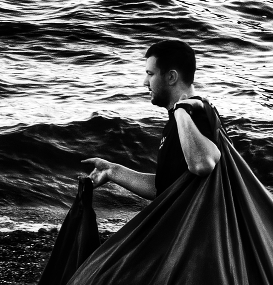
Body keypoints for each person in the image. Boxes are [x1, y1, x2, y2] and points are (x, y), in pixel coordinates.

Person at [81, 39, 221, 199]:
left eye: (150, 74)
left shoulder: (196, 115)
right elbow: (164, 188)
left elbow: (203, 165)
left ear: (171, 77)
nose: (145, 82)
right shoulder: (180, 118)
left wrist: (181, 112)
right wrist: (111, 171)